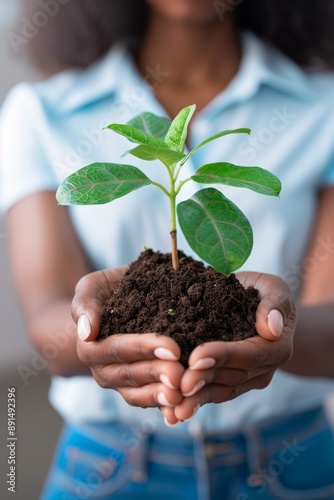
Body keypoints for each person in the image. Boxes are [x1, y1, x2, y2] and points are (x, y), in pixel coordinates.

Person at [1, 0, 334, 498]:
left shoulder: (323, 107)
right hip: (107, 470)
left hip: (292, 467)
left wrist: (273, 329)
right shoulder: (42, 112)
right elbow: (47, 322)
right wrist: (99, 328)